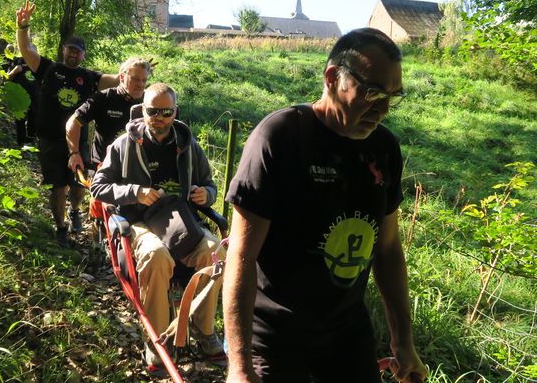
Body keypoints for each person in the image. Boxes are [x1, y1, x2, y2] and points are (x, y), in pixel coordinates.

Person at [223, 28, 427, 383]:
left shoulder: (384, 149)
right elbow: (241, 256)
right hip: (275, 336)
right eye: (373, 92)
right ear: (333, 78)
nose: (382, 110)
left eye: (393, 97)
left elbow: (389, 248)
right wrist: (239, 366)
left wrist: (403, 341)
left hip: (346, 333)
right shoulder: (279, 138)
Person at [90, 83, 227, 375]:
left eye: (166, 112)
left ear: (175, 112)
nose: (159, 117)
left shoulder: (189, 145)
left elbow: (211, 185)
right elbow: (97, 186)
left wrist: (207, 195)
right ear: (143, 111)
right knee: (156, 256)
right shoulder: (123, 145)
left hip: (181, 219)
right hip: (139, 221)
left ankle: (203, 330)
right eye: (153, 111)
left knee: (215, 253)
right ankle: (160, 338)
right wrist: (135, 192)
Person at [16, 0, 119, 247]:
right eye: (70, 49)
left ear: (83, 55)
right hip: (50, 139)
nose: (73, 53)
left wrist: (136, 71)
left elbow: (116, 80)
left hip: (78, 140)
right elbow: (27, 50)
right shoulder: (48, 69)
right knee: (57, 186)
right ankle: (61, 226)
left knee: (79, 184)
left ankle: (75, 211)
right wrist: (23, 26)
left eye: (78, 51)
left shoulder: (89, 77)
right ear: (64, 50)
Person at [65, 56, 153, 173]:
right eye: (135, 79)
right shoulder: (103, 98)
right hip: (103, 168)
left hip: (137, 170)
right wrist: (74, 153)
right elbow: (73, 122)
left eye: (144, 80)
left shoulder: (150, 101)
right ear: (122, 77)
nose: (140, 84)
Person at [2, 44, 39, 146]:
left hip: (35, 97)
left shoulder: (40, 65)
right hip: (19, 97)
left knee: (33, 118)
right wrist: (14, 71)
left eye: (34, 53)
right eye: (29, 52)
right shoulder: (18, 62)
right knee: (20, 119)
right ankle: (21, 142)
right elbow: (6, 78)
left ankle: (31, 140)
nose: (32, 55)